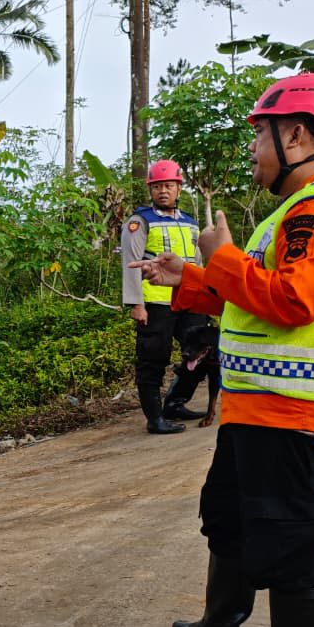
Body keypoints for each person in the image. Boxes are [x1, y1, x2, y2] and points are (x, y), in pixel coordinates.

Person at [131, 72, 314, 627]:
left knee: (288, 537)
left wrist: (226, 257)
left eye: (260, 137)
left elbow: (296, 300)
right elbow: (253, 293)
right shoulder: (296, 211)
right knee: (228, 516)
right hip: (254, 405)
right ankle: (221, 623)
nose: (254, 151)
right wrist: (192, 276)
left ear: (295, 134)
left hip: (289, 410)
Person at [120, 160, 210, 434]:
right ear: (150, 189)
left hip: (189, 299)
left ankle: (175, 402)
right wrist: (136, 304)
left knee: (203, 353)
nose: (163, 191)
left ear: (179, 188)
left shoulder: (190, 222)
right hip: (155, 302)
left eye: (169, 185)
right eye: (157, 186)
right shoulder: (140, 221)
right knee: (152, 359)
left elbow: (197, 261)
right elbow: (130, 261)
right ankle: (155, 418)